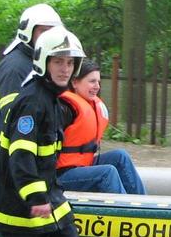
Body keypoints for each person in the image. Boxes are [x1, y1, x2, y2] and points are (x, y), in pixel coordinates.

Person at [0, 26, 87, 237]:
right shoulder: (32, 102)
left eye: (70, 63)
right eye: (58, 62)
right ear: (43, 62)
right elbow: (21, 155)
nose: (65, 69)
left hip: (49, 196)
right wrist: (35, 197)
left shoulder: (53, 99)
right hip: (20, 203)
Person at [56, 59, 146, 195]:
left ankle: (143, 206)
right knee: (107, 172)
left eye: (98, 82)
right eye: (92, 81)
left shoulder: (91, 105)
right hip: (60, 175)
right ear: (74, 82)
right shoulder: (64, 109)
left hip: (81, 166)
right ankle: (127, 214)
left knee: (120, 156)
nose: (97, 86)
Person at [0, 3, 63, 136]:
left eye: (53, 31)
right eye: (44, 31)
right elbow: (16, 120)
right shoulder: (14, 68)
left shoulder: (40, 62)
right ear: (28, 33)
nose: (49, 36)